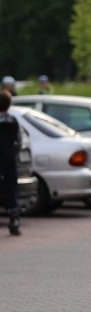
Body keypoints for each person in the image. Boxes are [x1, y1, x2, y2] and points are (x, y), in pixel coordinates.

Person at [0, 90, 22, 236]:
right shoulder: (13, 121)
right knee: (11, 191)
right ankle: (14, 219)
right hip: (9, 161)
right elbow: (19, 142)